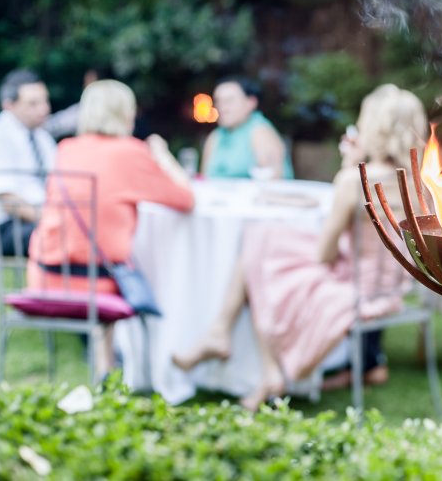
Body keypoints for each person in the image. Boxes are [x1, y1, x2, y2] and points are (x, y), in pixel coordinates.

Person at [173, 84, 427, 410]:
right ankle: (245, 353)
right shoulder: (422, 183)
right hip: (391, 286)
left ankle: (262, 365)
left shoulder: (355, 180)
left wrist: (350, 167)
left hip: (355, 286)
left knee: (262, 255)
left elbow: (325, 253)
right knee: (264, 237)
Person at [27, 79, 195, 376]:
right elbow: (185, 199)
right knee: (132, 266)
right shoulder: (131, 152)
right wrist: (163, 156)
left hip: (45, 277)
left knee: (102, 255)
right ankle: (134, 367)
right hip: (98, 283)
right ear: (125, 113)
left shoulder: (66, 148)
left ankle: (106, 365)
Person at [0, 69, 56, 256]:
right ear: (9, 105)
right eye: (33, 103)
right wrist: (52, 219)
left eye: (45, 100)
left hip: (32, 220)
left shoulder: (42, 137)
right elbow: (8, 200)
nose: (44, 109)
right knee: (67, 236)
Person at [201, 77, 294, 179]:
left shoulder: (259, 131)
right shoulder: (215, 136)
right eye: (218, 101)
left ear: (251, 102)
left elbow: (271, 178)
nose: (222, 107)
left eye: (229, 101)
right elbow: (205, 177)